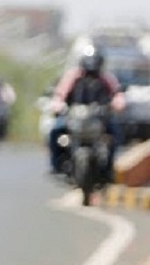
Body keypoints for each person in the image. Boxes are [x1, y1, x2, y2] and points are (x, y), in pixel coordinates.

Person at [47, 46, 126, 177]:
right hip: (73, 116)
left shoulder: (106, 78)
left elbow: (117, 94)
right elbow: (60, 94)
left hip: (99, 117)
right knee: (55, 131)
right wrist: (57, 105)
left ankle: (108, 167)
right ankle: (56, 164)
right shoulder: (73, 76)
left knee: (115, 134)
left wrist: (118, 104)